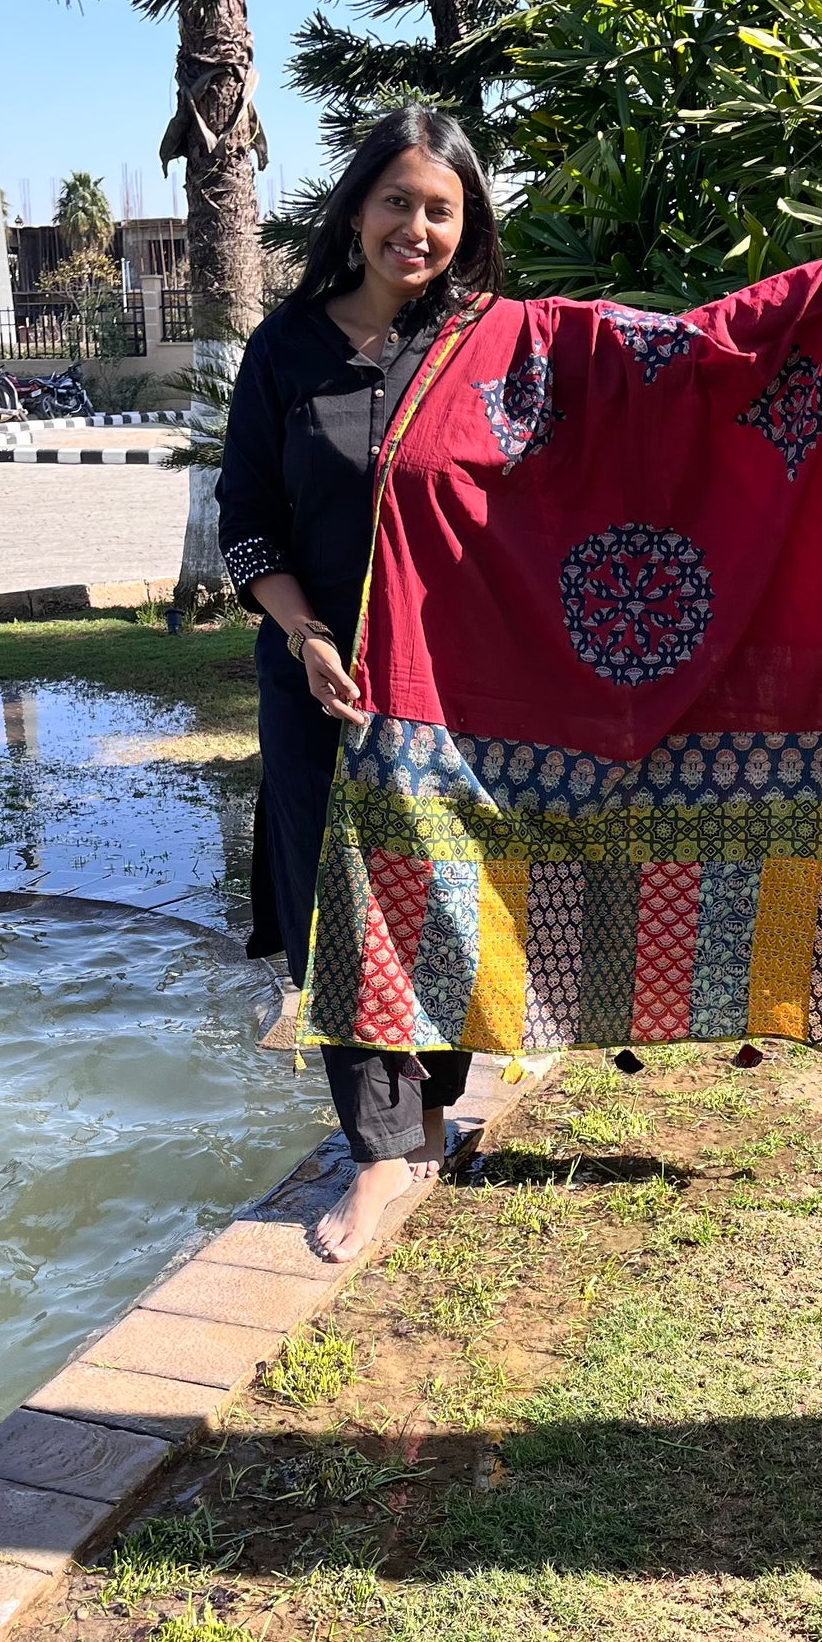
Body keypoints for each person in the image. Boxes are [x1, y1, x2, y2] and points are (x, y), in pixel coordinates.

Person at [216, 107, 504, 1263]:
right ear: (355, 209)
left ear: (465, 223)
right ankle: (379, 1152)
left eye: (441, 209)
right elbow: (244, 526)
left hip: (447, 689)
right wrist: (302, 634)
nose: (417, 228)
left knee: (437, 896)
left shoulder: (482, 346)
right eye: (398, 201)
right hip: (317, 687)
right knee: (337, 908)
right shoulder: (284, 350)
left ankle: (427, 1115)